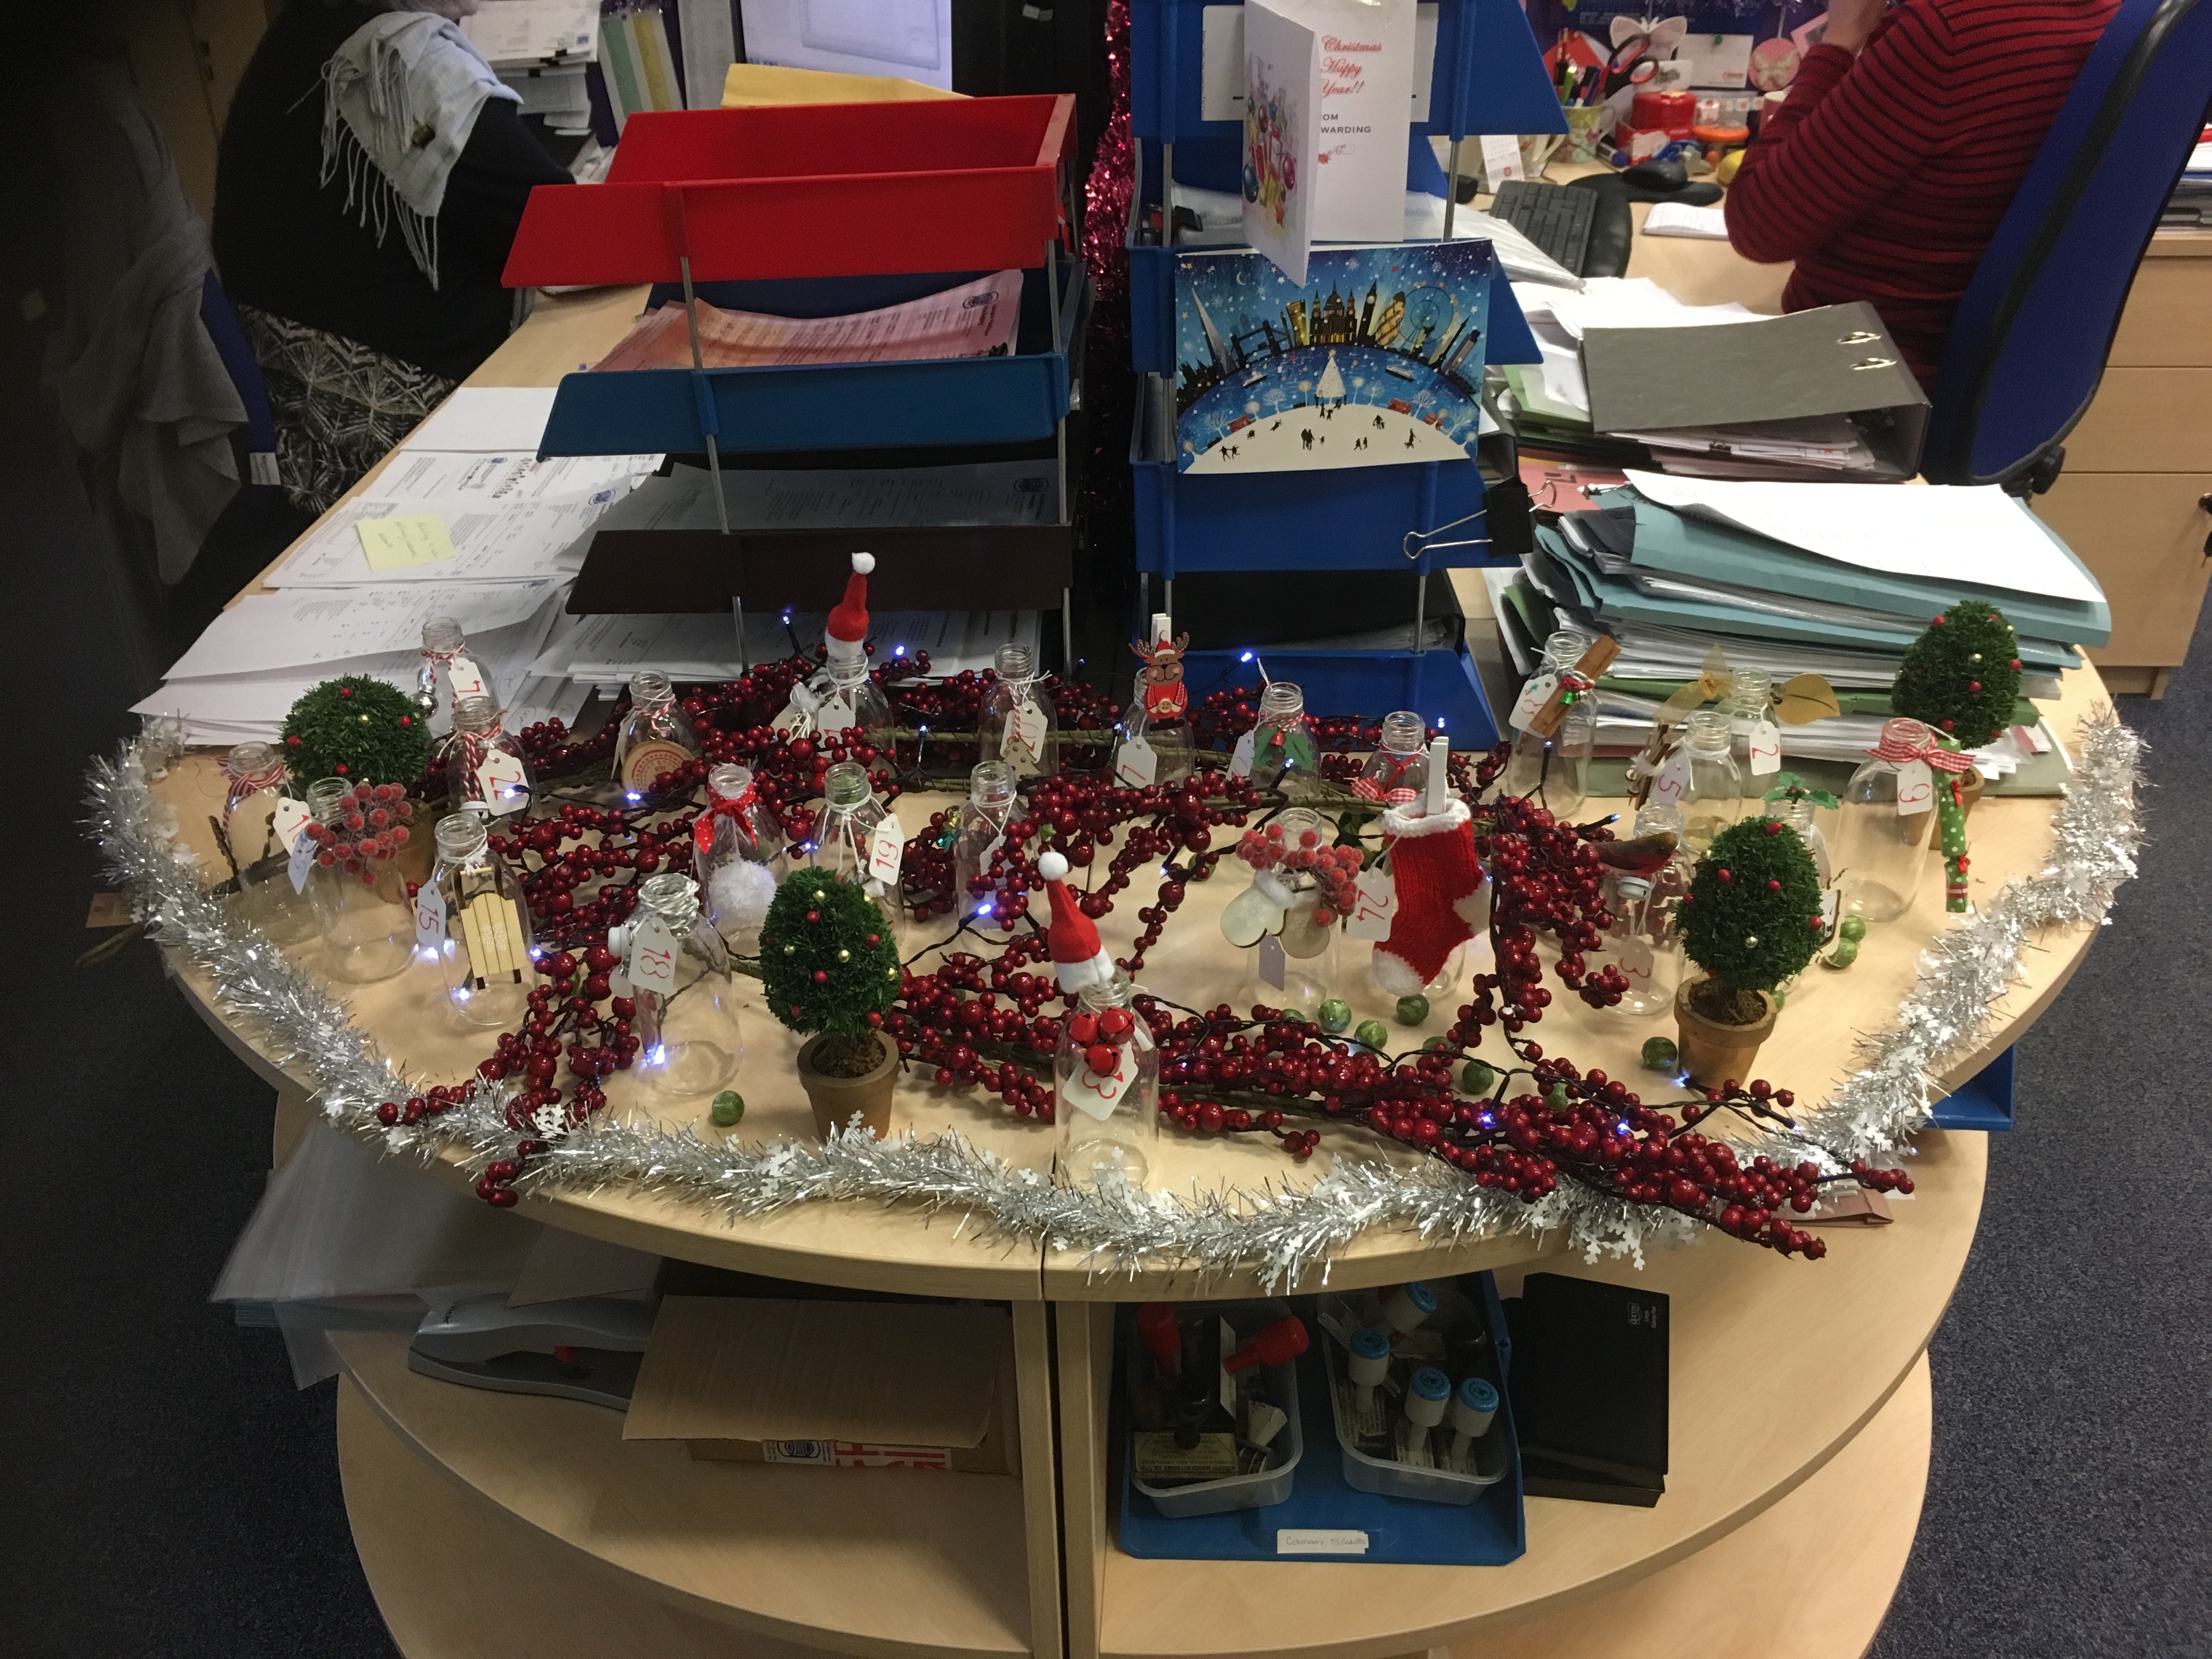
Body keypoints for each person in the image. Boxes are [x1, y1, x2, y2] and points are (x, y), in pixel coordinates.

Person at [213, 0, 572, 512]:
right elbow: (564, 237)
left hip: (306, 432)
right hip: (399, 446)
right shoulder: (400, 59)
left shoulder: (301, 34)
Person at [1724, 0, 2121, 385]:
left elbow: (1758, 226)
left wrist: (1841, 37)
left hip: (1857, 373)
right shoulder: (2103, 12)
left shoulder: (1946, 34)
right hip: (1973, 372)